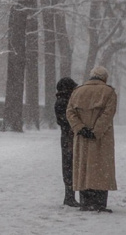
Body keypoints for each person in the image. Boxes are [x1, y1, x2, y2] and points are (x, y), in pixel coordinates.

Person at [66, 66, 117, 213]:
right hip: (101, 138)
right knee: (100, 168)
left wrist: (80, 128)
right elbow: (108, 114)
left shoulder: (77, 91)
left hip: (82, 137)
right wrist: (96, 131)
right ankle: (99, 202)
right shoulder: (109, 92)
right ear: (104, 78)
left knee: (83, 167)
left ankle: (86, 201)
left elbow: (70, 112)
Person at [54, 77, 80, 207]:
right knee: (70, 165)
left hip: (66, 136)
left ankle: (69, 196)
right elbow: (65, 120)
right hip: (69, 136)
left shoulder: (60, 100)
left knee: (68, 165)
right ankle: (70, 197)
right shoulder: (66, 101)